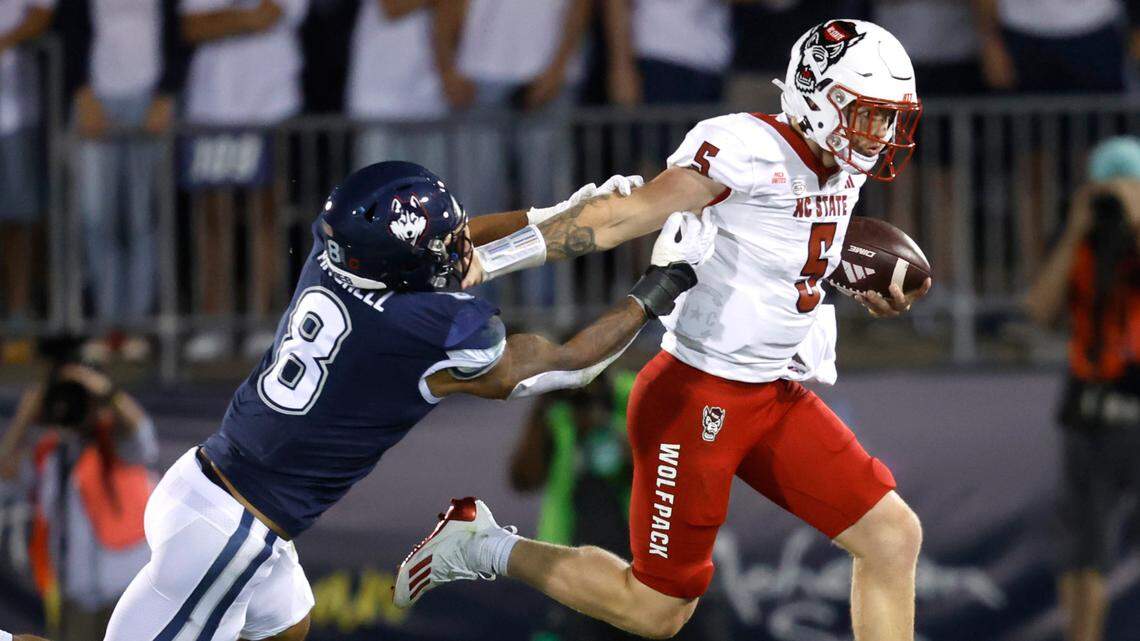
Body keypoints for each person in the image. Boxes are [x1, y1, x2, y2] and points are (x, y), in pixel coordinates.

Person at [0, 161, 713, 641]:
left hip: (205, 483)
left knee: (288, 627)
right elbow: (561, 365)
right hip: (232, 531)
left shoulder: (336, 247)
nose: (456, 250)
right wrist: (659, 287)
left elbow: (450, 248)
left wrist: (545, 217)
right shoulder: (420, 328)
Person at [397, 19, 932, 641]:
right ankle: (482, 544)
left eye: (890, 117)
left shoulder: (841, 162)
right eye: (866, 115)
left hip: (772, 394)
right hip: (696, 396)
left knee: (892, 537)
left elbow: (787, 239)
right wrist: (491, 259)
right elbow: (624, 217)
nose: (881, 134)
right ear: (815, 96)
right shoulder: (743, 147)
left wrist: (846, 275)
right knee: (656, 611)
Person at [1025, 137, 1140, 641]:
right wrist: (1075, 232)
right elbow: (1039, 309)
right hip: (1088, 409)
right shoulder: (1079, 240)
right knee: (1082, 553)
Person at [0, 338, 157, 641]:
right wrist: (26, 414)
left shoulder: (118, 446)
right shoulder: (49, 454)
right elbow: (6, 475)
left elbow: (143, 434)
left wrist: (100, 389)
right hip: (75, 600)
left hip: (130, 597)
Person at [180, 0, 308, 360]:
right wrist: (245, 18)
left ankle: (264, 319)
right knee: (212, 219)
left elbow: (276, 14)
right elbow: (192, 26)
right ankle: (212, 321)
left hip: (270, 103)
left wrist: (223, 18)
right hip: (210, 105)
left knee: (266, 216)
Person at [68, 0, 180, 358]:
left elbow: (177, 33)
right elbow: (70, 27)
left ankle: (138, 326)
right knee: (98, 216)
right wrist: (81, 91)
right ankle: (105, 324)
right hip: (97, 99)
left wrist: (166, 93)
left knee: (141, 216)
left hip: (148, 99)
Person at [0, 0, 54, 331]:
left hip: (15, 114)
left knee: (19, 220)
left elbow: (42, 14)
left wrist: (5, 40)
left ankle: (20, 314)